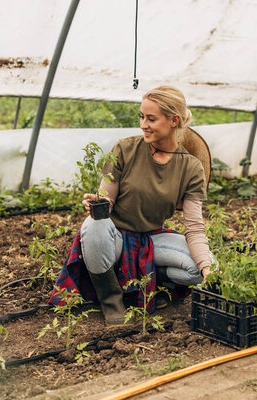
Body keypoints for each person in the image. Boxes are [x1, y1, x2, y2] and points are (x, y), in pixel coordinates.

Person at [49, 85, 213, 327]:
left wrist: (207, 269)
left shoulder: (190, 167)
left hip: (151, 239)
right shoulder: (125, 148)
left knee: (198, 269)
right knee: (94, 225)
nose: (143, 124)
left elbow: (195, 227)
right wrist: (98, 203)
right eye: (142, 116)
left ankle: (156, 283)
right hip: (114, 237)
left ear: (173, 120)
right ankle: (111, 299)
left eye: (151, 118)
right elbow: (107, 200)